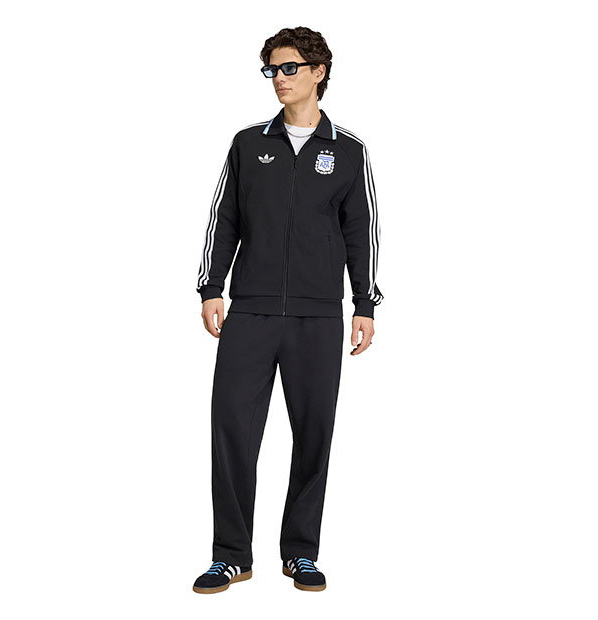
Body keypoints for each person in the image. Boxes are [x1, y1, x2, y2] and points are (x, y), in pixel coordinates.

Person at [192, 26, 384, 594]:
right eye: (272, 70)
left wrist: (365, 302)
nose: (279, 78)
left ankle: (301, 552)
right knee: (231, 427)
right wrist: (211, 287)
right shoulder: (248, 144)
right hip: (249, 312)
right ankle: (231, 555)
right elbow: (224, 218)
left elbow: (361, 231)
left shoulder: (347, 151)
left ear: (319, 72)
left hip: (317, 316)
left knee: (314, 433)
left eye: (289, 68)